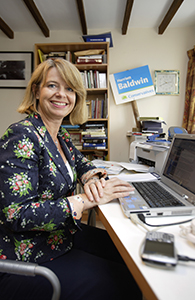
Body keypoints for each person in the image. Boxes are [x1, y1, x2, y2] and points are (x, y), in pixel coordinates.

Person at [0, 58, 142, 300]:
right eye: (52, 86)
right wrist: (86, 199)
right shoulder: (22, 135)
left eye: (69, 89)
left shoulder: (60, 134)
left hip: (59, 235)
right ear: (36, 90)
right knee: (126, 284)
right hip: (27, 253)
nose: (61, 95)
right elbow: (17, 215)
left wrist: (92, 178)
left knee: (132, 256)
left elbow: (81, 163)